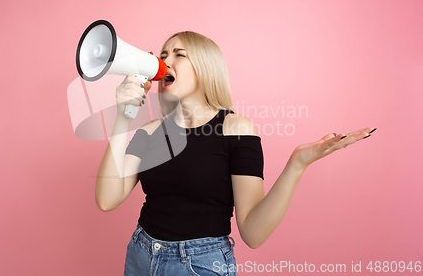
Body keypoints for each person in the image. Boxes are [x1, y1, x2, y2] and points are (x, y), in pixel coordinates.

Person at [95, 31, 376, 276]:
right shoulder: (150, 132)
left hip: (199, 264)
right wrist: (123, 117)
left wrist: (297, 164)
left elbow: (253, 233)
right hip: (140, 255)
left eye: (179, 54)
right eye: (163, 54)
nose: (165, 62)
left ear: (206, 67)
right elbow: (107, 200)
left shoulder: (236, 129)